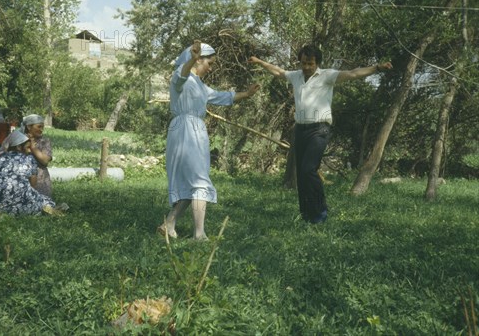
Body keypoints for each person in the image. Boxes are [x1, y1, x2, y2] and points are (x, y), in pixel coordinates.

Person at [249, 45, 392, 223]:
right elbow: (278, 72)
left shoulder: (327, 76)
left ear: (317, 63)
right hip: (300, 130)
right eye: (303, 63)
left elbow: (353, 73)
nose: (307, 67)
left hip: (319, 130)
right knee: (301, 175)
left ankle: (320, 213)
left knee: (309, 169)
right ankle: (306, 214)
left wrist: (377, 68)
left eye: (310, 63)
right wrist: (260, 62)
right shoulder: (296, 76)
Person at [158, 40, 261, 240]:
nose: (211, 67)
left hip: (192, 131)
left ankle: (169, 224)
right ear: (197, 60)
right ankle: (199, 234)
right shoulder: (182, 77)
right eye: (209, 63)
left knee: (192, 182)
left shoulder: (200, 86)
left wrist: (246, 94)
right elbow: (181, 77)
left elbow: (223, 97)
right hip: (187, 131)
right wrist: (192, 60)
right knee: (199, 182)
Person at [0, 130, 64, 216]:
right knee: (46, 200)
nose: (30, 151)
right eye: (28, 147)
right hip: (25, 207)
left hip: (1, 207)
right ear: (19, 147)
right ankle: (48, 211)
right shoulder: (29, 159)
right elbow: (33, 184)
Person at [21, 114, 52, 197]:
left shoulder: (44, 141)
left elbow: (45, 161)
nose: (41, 130)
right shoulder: (18, 140)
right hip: (22, 176)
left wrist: (32, 146)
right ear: (28, 127)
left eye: (42, 127)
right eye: (39, 127)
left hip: (40, 178)